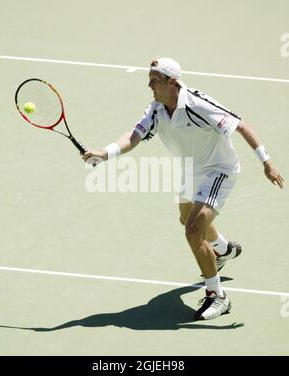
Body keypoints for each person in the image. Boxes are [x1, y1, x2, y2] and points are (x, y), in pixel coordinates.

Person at [82, 57, 284, 320]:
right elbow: (134, 136)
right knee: (185, 218)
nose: (149, 85)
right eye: (149, 79)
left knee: (193, 230)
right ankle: (223, 249)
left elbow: (241, 125)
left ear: (172, 82)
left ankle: (218, 296)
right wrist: (104, 153)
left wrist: (266, 163)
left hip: (218, 171)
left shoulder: (198, 104)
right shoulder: (156, 109)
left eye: (154, 80)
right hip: (191, 170)